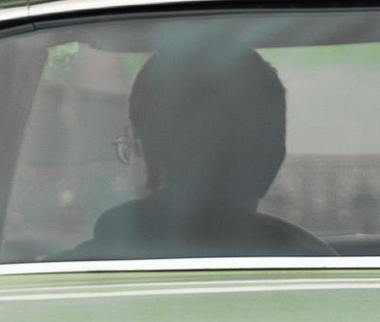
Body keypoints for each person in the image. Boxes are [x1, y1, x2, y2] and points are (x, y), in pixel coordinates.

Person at [78, 36, 322, 259]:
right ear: (274, 159)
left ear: (149, 153)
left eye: (128, 147)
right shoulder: (326, 282)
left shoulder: (63, 285)